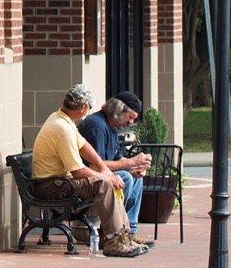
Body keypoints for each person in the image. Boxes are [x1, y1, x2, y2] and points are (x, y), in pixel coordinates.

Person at [31, 83, 145, 256]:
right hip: (52, 185)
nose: (89, 111)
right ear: (83, 107)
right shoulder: (63, 129)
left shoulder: (62, 119)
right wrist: (106, 177)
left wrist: (104, 169)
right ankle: (113, 240)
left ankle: (124, 235)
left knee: (108, 180)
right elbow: (78, 171)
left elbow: (85, 147)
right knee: (105, 184)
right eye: (88, 107)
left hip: (60, 180)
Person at [77, 92, 154, 228]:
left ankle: (129, 228)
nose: (131, 122)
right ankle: (115, 228)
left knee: (135, 177)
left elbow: (117, 159)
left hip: (101, 174)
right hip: (86, 177)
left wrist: (136, 167)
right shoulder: (97, 126)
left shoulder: (112, 128)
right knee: (125, 177)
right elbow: (95, 166)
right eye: (130, 117)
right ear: (118, 110)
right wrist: (130, 163)